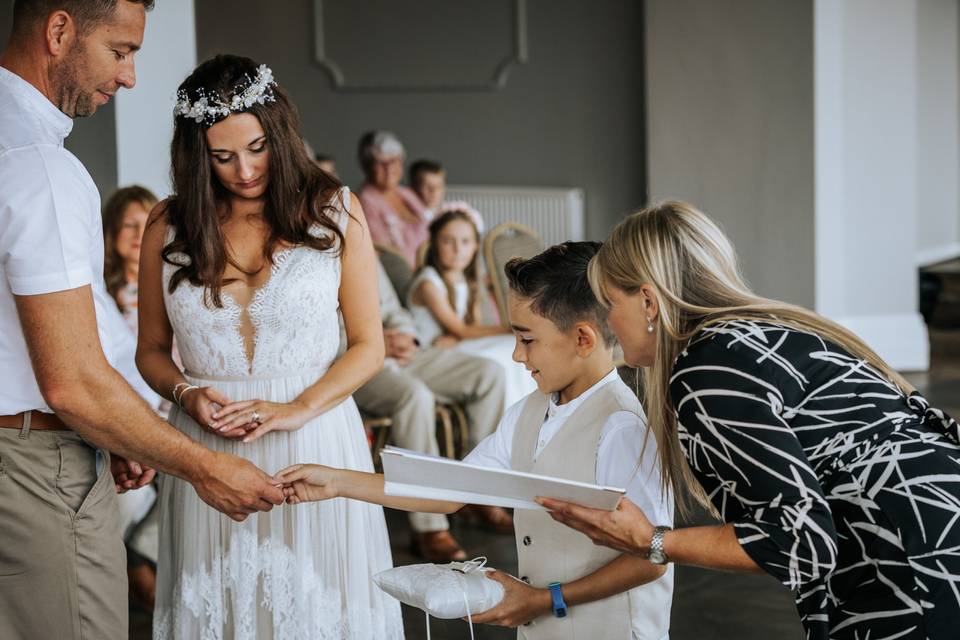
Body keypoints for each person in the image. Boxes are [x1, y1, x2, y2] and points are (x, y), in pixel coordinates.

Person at [540, 201, 960, 640]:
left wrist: (652, 541)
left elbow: (802, 543)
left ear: (648, 301)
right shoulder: (775, 330)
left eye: (609, 302)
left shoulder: (707, 370)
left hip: (914, 572)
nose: (607, 320)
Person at [0, 3, 283, 638]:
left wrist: (118, 433)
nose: (130, 77)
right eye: (121, 51)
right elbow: (71, 382)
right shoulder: (42, 169)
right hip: (32, 471)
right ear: (59, 30)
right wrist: (207, 468)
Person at [280, 242, 674, 638]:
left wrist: (544, 599)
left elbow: (651, 559)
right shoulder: (527, 412)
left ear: (583, 339)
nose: (517, 356)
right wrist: (336, 481)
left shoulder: (621, 427)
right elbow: (451, 489)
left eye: (527, 339)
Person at [136, 54, 403, 638]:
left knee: (321, 608)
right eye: (222, 156)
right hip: (210, 443)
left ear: (278, 132)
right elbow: (151, 351)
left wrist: (297, 409)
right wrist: (185, 395)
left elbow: (367, 346)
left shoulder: (335, 209)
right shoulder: (168, 225)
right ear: (196, 154)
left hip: (316, 432)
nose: (245, 170)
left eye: (257, 147)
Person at [353, 259, 511, 561]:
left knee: (490, 373)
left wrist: (405, 337)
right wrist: (373, 344)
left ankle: (475, 493)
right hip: (355, 360)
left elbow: (393, 309)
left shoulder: (361, 245)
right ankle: (429, 525)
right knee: (415, 396)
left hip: (403, 353)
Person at [408, 209, 537, 409]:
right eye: (447, 241)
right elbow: (462, 330)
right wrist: (511, 327)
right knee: (505, 352)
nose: (458, 249)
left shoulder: (468, 281)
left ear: (476, 246)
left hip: (455, 344)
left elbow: (471, 328)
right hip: (432, 354)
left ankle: (525, 412)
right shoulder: (428, 283)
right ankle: (507, 417)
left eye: (465, 241)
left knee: (515, 347)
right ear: (433, 244)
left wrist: (460, 335)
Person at [357, 130, 430, 267]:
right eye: (381, 163)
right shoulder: (365, 202)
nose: (389, 168)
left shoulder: (406, 193)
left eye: (394, 160)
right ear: (367, 166)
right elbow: (386, 255)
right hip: (402, 278)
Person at [409, 157, 483, 229]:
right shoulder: (409, 215)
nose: (434, 191)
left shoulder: (447, 210)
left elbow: (478, 224)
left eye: (439, 186)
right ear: (414, 187)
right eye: (428, 186)